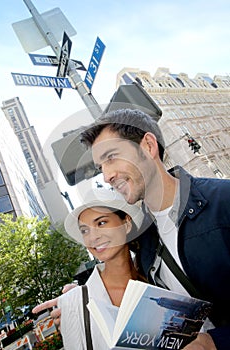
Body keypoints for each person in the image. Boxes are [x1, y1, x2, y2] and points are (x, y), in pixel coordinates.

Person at [78, 108, 230, 350]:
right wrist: (76, 303)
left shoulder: (224, 201)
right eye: (100, 167)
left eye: (112, 157)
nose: (106, 175)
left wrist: (215, 342)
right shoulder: (144, 241)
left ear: (148, 146)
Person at [34, 187, 146, 349]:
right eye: (85, 231)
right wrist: (74, 303)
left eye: (101, 223)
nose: (93, 237)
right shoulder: (73, 304)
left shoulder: (156, 278)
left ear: (126, 224)